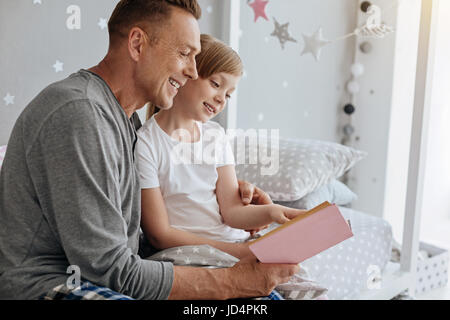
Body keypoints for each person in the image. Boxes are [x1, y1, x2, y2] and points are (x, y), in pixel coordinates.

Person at [0, 0, 299, 300]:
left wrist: (226, 202)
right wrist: (232, 281)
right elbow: (110, 269)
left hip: (107, 276)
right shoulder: (80, 113)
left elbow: (134, 238)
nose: (193, 72)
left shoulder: (125, 121)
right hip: (48, 283)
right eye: (184, 54)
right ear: (137, 44)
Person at [137, 34, 307, 261]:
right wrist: (237, 253)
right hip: (190, 254)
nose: (221, 100)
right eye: (216, 84)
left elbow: (233, 212)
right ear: (187, 74)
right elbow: (160, 235)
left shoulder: (215, 135)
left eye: (228, 95)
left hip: (234, 243)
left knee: (297, 279)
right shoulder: (147, 144)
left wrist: (273, 212)